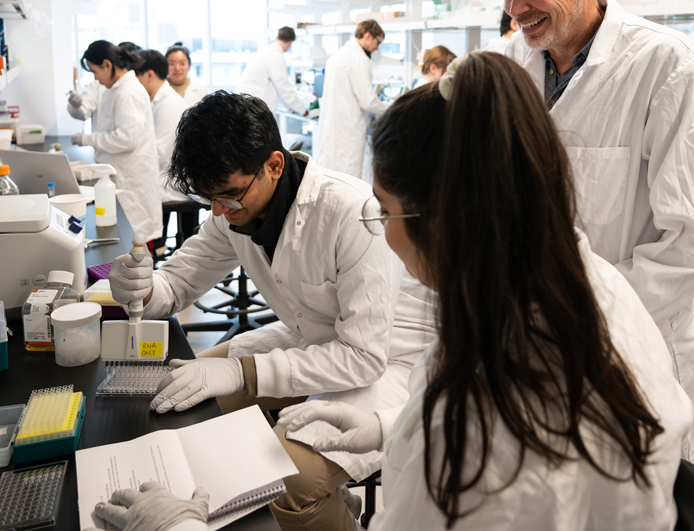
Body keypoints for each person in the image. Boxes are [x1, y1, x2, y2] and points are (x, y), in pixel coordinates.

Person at [276, 53, 692, 530]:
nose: (381, 232)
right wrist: (389, 427)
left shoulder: (471, 429)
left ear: (444, 222)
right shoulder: (588, 281)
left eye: (385, 212)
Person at [105, 91, 436, 531]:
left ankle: (325, 511)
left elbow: (363, 356)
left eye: (229, 195)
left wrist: (246, 374)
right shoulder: (234, 211)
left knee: (290, 475)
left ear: (274, 166)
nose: (219, 211)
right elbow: (179, 283)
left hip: (389, 363)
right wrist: (145, 288)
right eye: (210, 200)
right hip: (313, 340)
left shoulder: (351, 213)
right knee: (178, 388)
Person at [499, 0, 694, 476]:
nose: (515, 8)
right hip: (535, 343)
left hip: (635, 343)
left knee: (642, 501)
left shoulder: (666, 66)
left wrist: (583, 315)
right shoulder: (511, 65)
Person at [72, 40, 163, 242]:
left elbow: (127, 139)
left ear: (107, 64)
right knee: (127, 239)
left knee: (137, 244)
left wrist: (88, 139)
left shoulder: (127, 92)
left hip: (132, 180)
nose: (95, 78)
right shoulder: (115, 89)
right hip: (120, 175)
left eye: (95, 71)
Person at [133, 49, 197, 251]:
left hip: (176, 181)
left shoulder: (168, 103)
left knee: (130, 193)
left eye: (136, 75)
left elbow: (161, 154)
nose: (133, 82)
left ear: (149, 75)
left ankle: (147, 252)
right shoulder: (158, 100)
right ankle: (151, 248)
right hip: (167, 173)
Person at [313, 20, 389, 179]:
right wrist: (392, 107)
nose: (377, 47)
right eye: (378, 41)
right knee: (348, 179)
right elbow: (368, 101)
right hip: (348, 129)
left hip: (334, 126)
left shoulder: (338, 54)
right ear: (368, 35)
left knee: (332, 177)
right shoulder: (360, 58)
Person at [239, 26, 310, 116]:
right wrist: (303, 111)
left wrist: (291, 108)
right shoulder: (275, 56)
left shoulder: (265, 52)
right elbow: (284, 88)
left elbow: (279, 89)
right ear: (290, 43)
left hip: (247, 103)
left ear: (277, 38)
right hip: (256, 107)